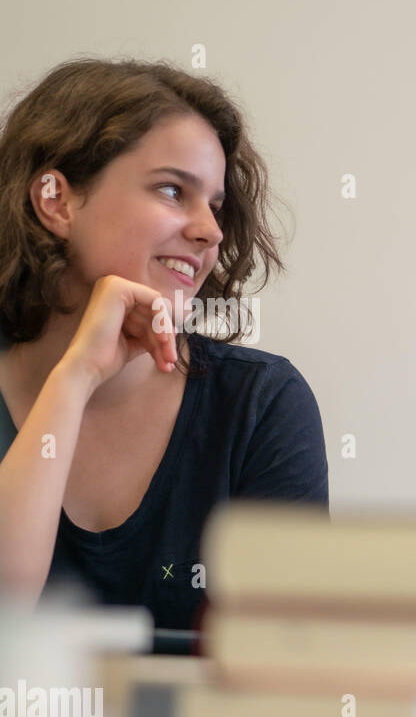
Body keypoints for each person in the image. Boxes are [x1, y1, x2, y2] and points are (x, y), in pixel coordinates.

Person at [0, 58, 328, 640]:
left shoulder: (259, 403)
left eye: (216, 205)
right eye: (173, 190)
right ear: (57, 203)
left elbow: (289, 655)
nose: (210, 231)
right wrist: (74, 380)